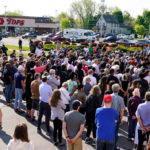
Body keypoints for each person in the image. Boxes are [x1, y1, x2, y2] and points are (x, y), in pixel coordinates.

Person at [111, 84, 125, 150]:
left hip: (108, 117)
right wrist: (121, 118)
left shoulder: (108, 96)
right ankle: (114, 147)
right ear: (118, 90)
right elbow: (122, 110)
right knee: (115, 133)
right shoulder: (120, 98)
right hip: (116, 118)